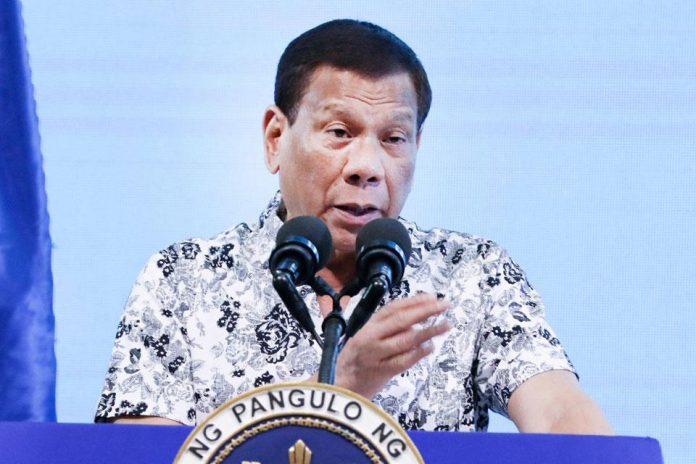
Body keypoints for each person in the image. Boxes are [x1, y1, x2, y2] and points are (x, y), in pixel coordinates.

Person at [96, 19, 612, 434]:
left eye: (393, 138)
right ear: (276, 138)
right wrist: (340, 391)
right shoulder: (182, 280)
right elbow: (142, 453)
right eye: (340, 132)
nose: (367, 165)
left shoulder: (471, 276)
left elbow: (557, 409)